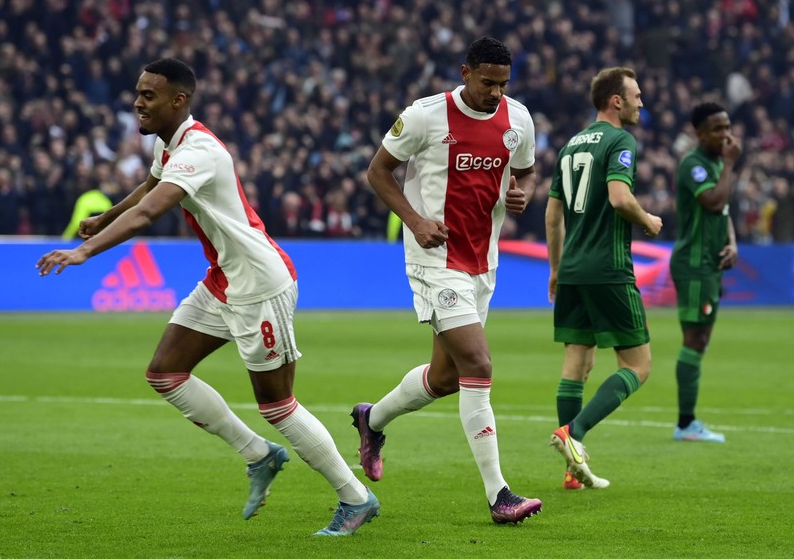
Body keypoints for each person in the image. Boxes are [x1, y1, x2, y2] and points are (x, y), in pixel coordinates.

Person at [36, 58, 379, 535]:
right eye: (138, 92)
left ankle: (356, 497)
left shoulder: (199, 151)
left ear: (179, 101)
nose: (138, 101)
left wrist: (86, 250)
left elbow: (151, 212)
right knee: (165, 373)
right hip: (224, 278)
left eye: (149, 95)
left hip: (260, 284)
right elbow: (150, 186)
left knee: (277, 405)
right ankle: (258, 455)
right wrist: (105, 215)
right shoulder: (169, 143)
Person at [352, 36, 542, 524]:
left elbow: (526, 173)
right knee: (478, 362)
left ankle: (370, 420)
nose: (495, 93)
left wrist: (521, 194)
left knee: (446, 377)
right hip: (434, 260)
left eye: (503, 84)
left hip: (484, 262)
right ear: (464, 72)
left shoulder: (518, 119)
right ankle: (500, 495)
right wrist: (415, 221)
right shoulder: (423, 116)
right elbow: (378, 173)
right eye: (486, 83)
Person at [545, 66, 662, 489]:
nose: (641, 102)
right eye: (636, 95)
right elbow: (619, 197)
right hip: (608, 268)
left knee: (577, 362)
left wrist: (556, 268)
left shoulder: (570, 145)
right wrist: (648, 220)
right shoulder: (620, 140)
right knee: (639, 365)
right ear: (617, 100)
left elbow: (553, 215)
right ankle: (573, 434)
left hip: (573, 268)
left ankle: (572, 471)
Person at [669, 103, 742, 442]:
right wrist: (729, 164)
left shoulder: (714, 163)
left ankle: (688, 422)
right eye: (717, 129)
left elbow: (722, 212)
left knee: (702, 339)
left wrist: (732, 242)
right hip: (694, 265)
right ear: (698, 134)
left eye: (727, 127)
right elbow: (713, 201)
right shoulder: (694, 165)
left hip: (711, 265)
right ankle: (685, 424)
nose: (725, 134)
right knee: (694, 339)